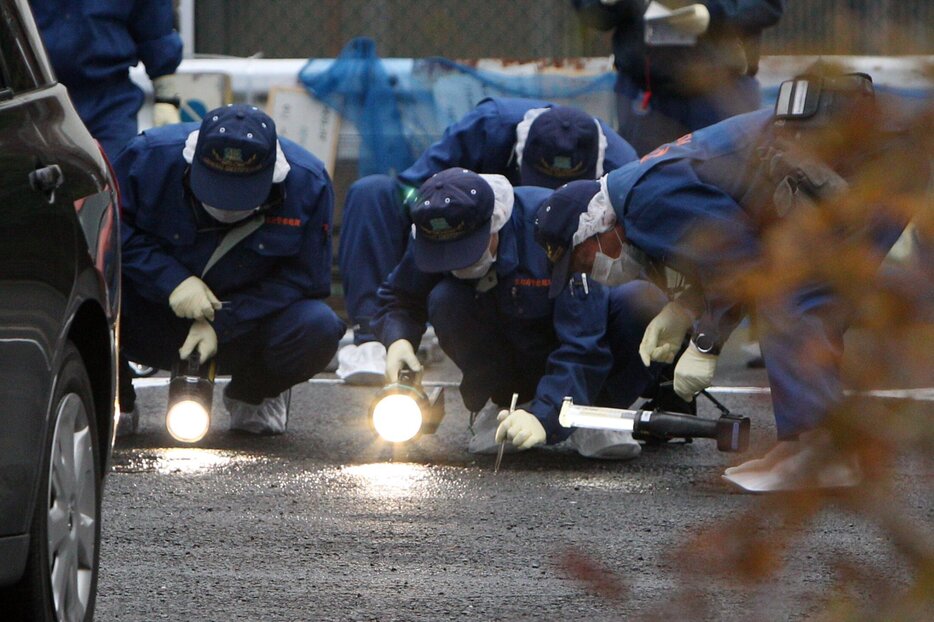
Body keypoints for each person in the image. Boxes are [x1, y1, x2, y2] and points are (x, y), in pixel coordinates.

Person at [533, 71, 928, 490]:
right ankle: (810, 444)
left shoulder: (644, 203)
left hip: (869, 155)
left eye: (583, 260)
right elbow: (723, 241)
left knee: (792, 296)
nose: (591, 273)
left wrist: (705, 343)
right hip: (866, 151)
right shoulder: (641, 191)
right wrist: (685, 309)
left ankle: (816, 450)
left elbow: (738, 258)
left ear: (595, 226)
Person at [371, 168, 673, 459]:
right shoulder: (434, 227)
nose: (455, 263)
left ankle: (597, 412)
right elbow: (399, 297)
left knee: (642, 301)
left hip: (587, 335)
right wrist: (398, 341)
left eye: (466, 251)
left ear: (495, 223)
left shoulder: (552, 229)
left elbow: (583, 340)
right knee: (446, 298)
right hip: (512, 339)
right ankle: (508, 403)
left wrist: (547, 416)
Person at [336, 98, 639, 383]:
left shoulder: (626, 170)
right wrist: (439, 229)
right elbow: (414, 193)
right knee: (372, 193)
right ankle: (372, 343)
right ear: (519, 155)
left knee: (627, 302)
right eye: (544, 184)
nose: (553, 201)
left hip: (567, 263)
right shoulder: (486, 129)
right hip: (484, 245)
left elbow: (646, 247)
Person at [114, 104, 345, 436]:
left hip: (243, 328)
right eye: (215, 189)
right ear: (192, 163)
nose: (225, 207)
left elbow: (304, 278)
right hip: (151, 314)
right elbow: (108, 233)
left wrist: (222, 324)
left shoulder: (308, 184)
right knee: (89, 294)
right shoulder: (146, 159)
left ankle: (252, 393)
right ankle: (117, 398)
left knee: (318, 327)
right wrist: (171, 281)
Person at [572, 0, 784, 156]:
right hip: (645, 94)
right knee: (645, 186)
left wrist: (713, 14)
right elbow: (590, 11)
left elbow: (767, 6)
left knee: (731, 186)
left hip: (723, 93)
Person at [30, 0, 184, 159]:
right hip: (36, 101)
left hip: (108, 104)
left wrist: (166, 97)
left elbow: (155, 24)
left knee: (115, 175)